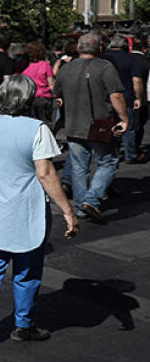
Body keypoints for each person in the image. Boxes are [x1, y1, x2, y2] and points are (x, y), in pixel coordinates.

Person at [0, 75, 79, 345]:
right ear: (29, 99)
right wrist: (68, 211)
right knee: (27, 270)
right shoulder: (37, 129)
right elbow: (46, 174)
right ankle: (23, 325)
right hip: (25, 209)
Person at [54, 32, 128, 222]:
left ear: (79, 48)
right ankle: (91, 199)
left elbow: (58, 95)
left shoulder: (66, 68)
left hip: (73, 125)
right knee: (108, 163)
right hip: (100, 124)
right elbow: (116, 96)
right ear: (100, 48)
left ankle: (79, 207)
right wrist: (124, 118)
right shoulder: (105, 67)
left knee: (79, 167)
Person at [101, 35, 146, 163]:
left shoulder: (103, 57)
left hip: (105, 97)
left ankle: (109, 152)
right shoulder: (130, 59)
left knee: (108, 124)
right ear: (125, 45)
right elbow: (136, 80)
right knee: (128, 126)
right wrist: (138, 97)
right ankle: (130, 154)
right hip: (126, 96)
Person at [21, 41, 55, 124]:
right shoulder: (45, 65)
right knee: (45, 122)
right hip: (43, 97)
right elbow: (51, 84)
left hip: (29, 98)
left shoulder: (24, 66)